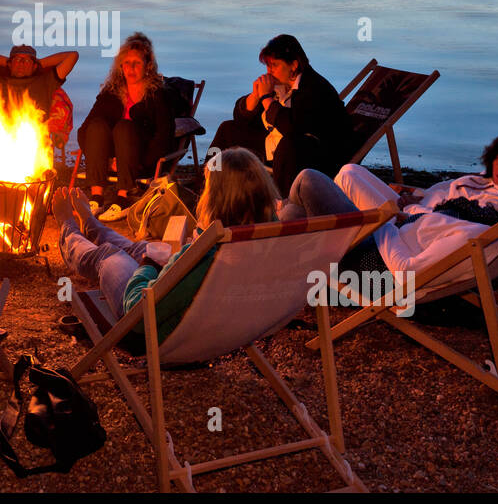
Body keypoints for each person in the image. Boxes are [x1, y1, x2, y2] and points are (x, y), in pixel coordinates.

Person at [56, 147, 353, 343]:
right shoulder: (277, 240)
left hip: (159, 328)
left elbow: (139, 308)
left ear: (216, 198)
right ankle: (93, 226)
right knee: (140, 250)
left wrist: (148, 267)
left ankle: (67, 226)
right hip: (235, 321)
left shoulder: (207, 254)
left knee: (111, 256)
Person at [333, 131, 498, 289]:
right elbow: (437, 209)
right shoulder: (481, 191)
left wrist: (386, 221)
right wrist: (414, 199)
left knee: (316, 184)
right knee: (349, 172)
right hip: (407, 221)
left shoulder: (490, 217)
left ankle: (310, 242)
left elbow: (412, 264)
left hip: (389, 240)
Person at [209, 34, 355, 196]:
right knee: (227, 129)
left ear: (293, 65)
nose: (269, 71)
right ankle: (206, 185)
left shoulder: (314, 88)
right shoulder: (281, 85)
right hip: (275, 149)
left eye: (274, 65)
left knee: (289, 144)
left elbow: (291, 128)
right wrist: (256, 96)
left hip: (314, 159)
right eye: (268, 66)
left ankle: (282, 203)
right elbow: (241, 118)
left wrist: (266, 98)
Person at [0, 45, 78, 222]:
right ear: (9, 64)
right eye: (17, 60)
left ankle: (25, 207)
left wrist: (40, 64)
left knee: (31, 151)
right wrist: (6, 62)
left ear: (35, 66)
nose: (21, 63)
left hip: (32, 143)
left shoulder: (46, 81)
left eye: (26, 60)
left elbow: (72, 56)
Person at [77, 32, 175, 221]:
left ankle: (123, 199)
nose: (131, 68)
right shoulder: (111, 93)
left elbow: (164, 136)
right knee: (96, 125)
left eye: (137, 63)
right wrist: (104, 157)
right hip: (113, 158)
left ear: (148, 66)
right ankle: (97, 197)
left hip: (141, 158)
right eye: (126, 63)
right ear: (120, 67)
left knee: (124, 126)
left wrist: (139, 162)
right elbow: (84, 130)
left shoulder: (158, 96)